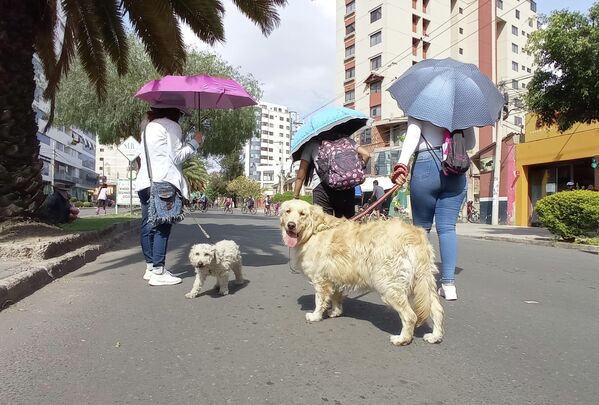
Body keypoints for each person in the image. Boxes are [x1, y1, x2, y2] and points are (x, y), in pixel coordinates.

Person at [390, 117, 475, 301]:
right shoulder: (462, 108)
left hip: (426, 164)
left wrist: (402, 164)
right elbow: (470, 143)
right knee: (447, 229)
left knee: (422, 229)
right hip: (455, 166)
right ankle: (449, 284)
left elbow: (413, 134)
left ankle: (420, 282)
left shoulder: (422, 104)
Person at [136, 104, 203, 286]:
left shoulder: (147, 127)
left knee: (148, 225)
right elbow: (176, 156)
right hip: (163, 181)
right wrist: (195, 142)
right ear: (176, 111)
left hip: (144, 182)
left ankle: (151, 267)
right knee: (163, 226)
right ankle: (159, 271)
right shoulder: (171, 126)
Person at [293, 137, 370, 218]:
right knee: (346, 225)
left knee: (322, 225)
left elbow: (300, 177)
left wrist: (295, 196)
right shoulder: (347, 141)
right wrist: (355, 170)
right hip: (346, 188)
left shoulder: (312, 144)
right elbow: (366, 154)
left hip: (322, 188)